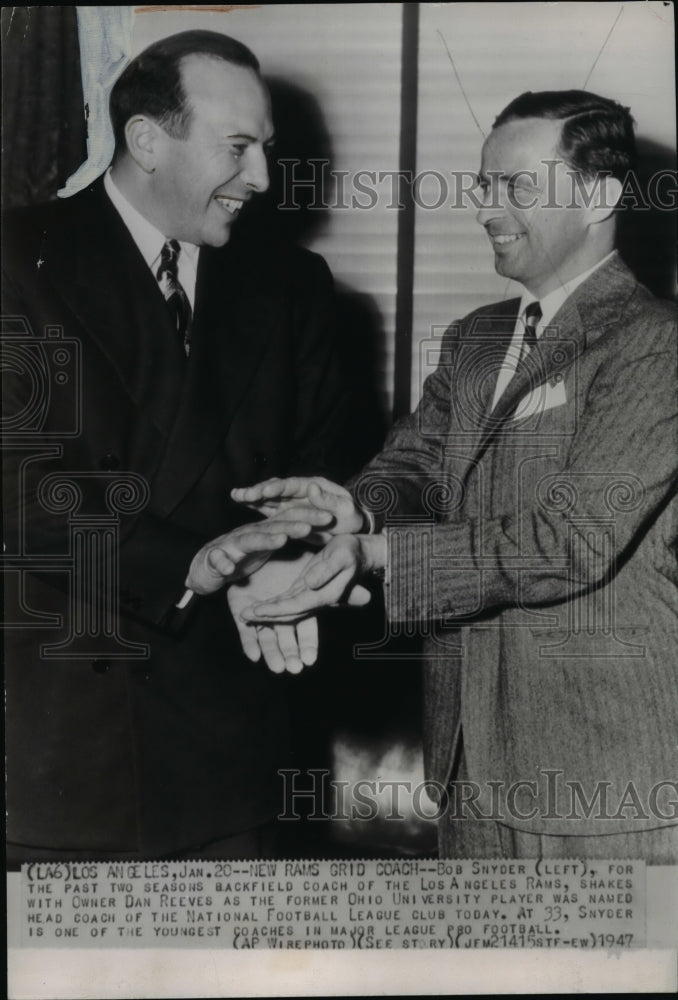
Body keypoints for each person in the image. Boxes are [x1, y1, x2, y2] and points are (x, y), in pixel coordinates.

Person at [227, 90, 678, 862]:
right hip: (467, 767)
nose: (484, 209)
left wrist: (379, 557)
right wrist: (352, 512)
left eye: (514, 186)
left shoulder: (652, 344)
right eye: (482, 185)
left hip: (603, 783)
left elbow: (570, 540)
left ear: (600, 195)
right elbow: (414, 464)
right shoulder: (476, 337)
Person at [2, 30, 349, 863]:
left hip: (232, 753)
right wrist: (190, 564)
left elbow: (329, 471)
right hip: (60, 755)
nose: (263, 179)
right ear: (147, 141)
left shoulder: (296, 288)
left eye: (266, 150)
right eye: (237, 148)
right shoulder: (13, 259)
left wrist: (285, 558)